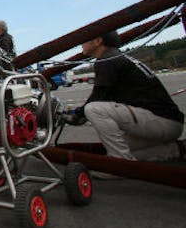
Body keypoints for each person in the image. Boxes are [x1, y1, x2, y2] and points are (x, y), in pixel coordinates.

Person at [68, 31, 184, 162]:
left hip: (160, 122)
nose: (81, 44)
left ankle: (120, 163)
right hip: (169, 123)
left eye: (85, 40)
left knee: (93, 109)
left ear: (97, 41)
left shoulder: (107, 60)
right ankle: (175, 150)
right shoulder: (119, 57)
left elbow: (98, 96)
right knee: (118, 145)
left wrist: (76, 115)